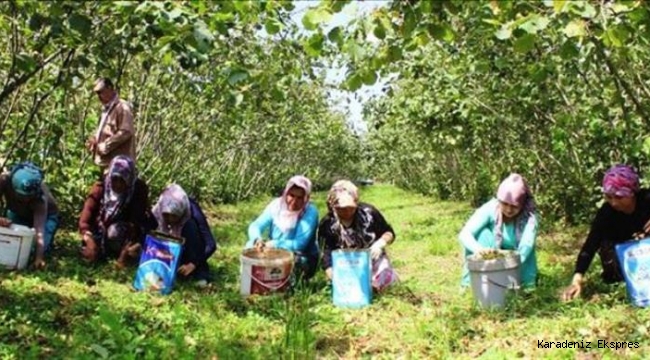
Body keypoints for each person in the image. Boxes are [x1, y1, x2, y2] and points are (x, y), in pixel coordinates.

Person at [562, 164, 650, 301]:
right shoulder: (606, 212)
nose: (614, 203)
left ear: (632, 193)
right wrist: (577, 279)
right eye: (609, 197)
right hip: (624, 260)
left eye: (619, 197)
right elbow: (590, 245)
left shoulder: (647, 200)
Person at [319, 180, 398, 291]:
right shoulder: (327, 224)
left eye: (351, 208)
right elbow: (326, 252)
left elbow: (389, 232)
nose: (347, 212)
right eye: (341, 209)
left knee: (384, 278)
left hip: (372, 258)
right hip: (345, 262)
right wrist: (331, 274)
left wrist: (380, 243)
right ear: (333, 206)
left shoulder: (369, 213)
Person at [79, 155, 150, 266]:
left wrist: (122, 258)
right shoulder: (100, 187)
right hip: (99, 230)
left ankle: (121, 252)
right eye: (114, 179)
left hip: (122, 234)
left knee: (114, 232)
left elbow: (134, 225)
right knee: (85, 251)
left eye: (122, 180)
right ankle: (100, 249)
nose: (118, 184)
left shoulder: (138, 190)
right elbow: (84, 221)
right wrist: (89, 242)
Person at [245, 175, 320, 281]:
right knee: (249, 246)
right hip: (273, 250)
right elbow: (256, 225)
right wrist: (257, 239)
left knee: (296, 261)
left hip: (301, 255)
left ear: (306, 198)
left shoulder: (310, 212)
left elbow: (299, 244)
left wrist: (274, 244)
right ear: (286, 193)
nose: (294, 201)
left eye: (299, 198)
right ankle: (256, 280)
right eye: (291, 195)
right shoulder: (276, 206)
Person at [151, 184, 216, 287]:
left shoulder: (193, 212)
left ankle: (200, 272)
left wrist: (193, 264)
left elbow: (211, 244)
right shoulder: (158, 210)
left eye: (174, 216)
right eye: (166, 216)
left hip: (190, 250)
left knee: (190, 226)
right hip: (170, 252)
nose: (170, 220)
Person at [0, 162, 59, 269]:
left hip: (47, 216)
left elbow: (39, 231)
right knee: (11, 240)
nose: (26, 200)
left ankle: (46, 246)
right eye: (21, 197)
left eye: (29, 198)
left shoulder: (40, 200)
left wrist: (39, 258)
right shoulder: (4, 180)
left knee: (31, 250)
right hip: (17, 213)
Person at [86, 78, 136, 171]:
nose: (99, 96)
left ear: (110, 88)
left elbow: (126, 131)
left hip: (120, 167)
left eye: (101, 92)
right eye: (97, 93)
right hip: (106, 165)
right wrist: (94, 142)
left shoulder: (122, 107)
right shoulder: (106, 110)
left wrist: (106, 145)